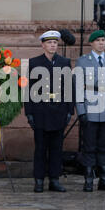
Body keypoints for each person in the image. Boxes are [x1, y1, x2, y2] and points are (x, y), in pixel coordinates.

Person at [24, 30, 74, 193]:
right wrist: (29, 113)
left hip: (58, 110)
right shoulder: (33, 63)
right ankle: (38, 180)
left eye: (55, 43)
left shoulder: (64, 62)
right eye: (49, 43)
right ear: (43, 45)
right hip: (40, 111)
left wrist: (69, 110)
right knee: (40, 148)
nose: (53, 45)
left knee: (56, 148)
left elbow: (69, 87)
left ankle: (54, 179)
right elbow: (28, 90)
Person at [75, 30, 105, 192]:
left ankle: (104, 178)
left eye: (103, 40)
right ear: (91, 43)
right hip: (90, 105)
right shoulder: (83, 61)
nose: (101, 43)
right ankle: (88, 179)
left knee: (104, 145)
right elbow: (78, 87)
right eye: (98, 40)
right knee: (89, 145)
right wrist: (81, 110)